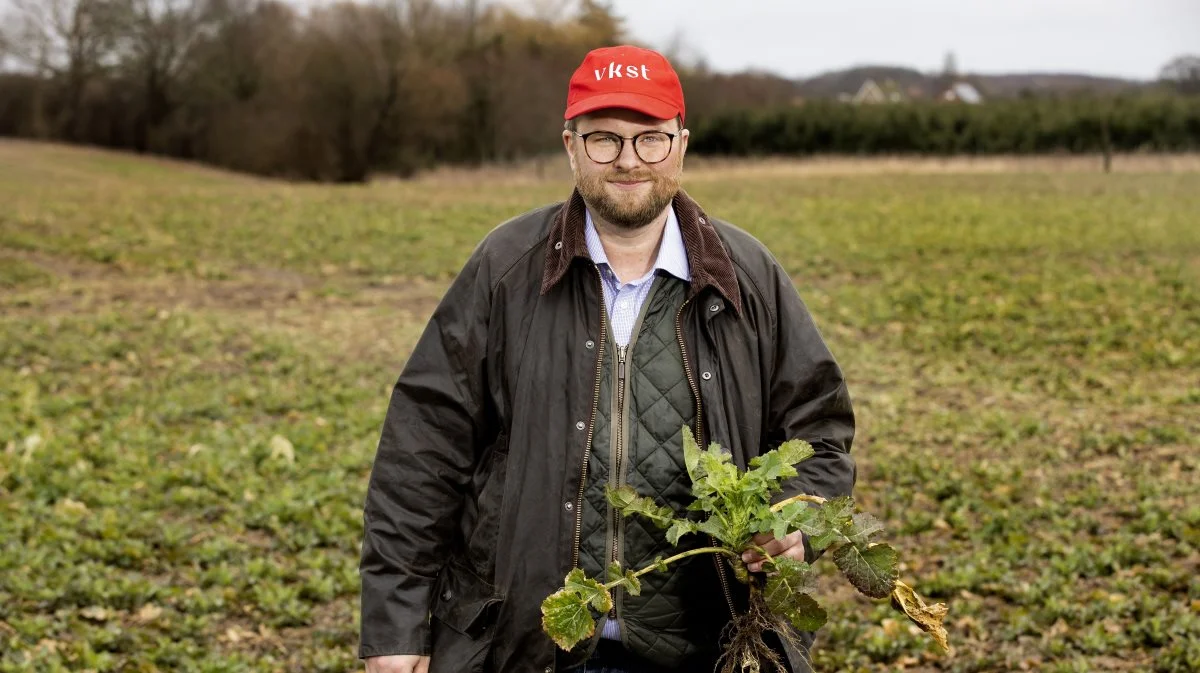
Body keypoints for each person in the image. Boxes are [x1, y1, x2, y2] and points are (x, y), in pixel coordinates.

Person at [358, 45, 855, 673]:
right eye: (603, 140)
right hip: (526, 647)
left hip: (708, 649)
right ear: (570, 145)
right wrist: (395, 630)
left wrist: (793, 520)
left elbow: (822, 429)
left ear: (681, 144)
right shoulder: (505, 269)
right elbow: (422, 451)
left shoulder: (747, 276)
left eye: (650, 139)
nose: (627, 161)